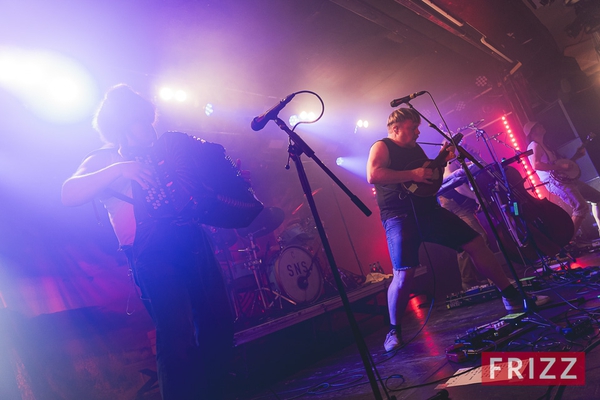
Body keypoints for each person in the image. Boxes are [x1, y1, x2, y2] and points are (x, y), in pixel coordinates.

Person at [61, 84, 235, 399]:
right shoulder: (104, 159)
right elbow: (68, 193)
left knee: (218, 321)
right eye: (142, 121)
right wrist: (119, 169)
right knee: (176, 336)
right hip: (151, 255)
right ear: (122, 126)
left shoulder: (164, 155)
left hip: (192, 241)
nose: (150, 128)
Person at [366, 107, 549, 352]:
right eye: (413, 127)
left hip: (429, 211)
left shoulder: (416, 149)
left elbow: (428, 182)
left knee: (475, 242)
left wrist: (442, 163)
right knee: (404, 273)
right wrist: (413, 173)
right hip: (399, 217)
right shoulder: (382, 146)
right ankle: (393, 331)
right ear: (396, 128)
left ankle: (511, 297)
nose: (418, 131)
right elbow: (373, 174)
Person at [526, 121, 600, 245]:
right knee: (580, 207)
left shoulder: (545, 145)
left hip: (564, 179)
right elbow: (536, 165)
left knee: (597, 198)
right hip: (554, 182)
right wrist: (560, 168)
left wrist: (577, 156)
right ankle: (568, 242)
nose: (542, 125)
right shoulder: (534, 145)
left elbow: (561, 165)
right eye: (539, 125)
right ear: (533, 132)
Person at [438, 160, 490, 291]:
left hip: (458, 205)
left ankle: (469, 280)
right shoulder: (448, 162)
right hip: (456, 205)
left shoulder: (453, 160)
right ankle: (488, 278)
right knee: (478, 237)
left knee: (466, 240)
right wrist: (475, 197)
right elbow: (457, 185)